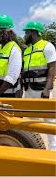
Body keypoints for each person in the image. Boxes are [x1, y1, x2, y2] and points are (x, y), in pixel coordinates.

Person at [22, 21, 56, 150]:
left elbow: (52, 68)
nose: (25, 34)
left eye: (27, 32)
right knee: (31, 121)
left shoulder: (47, 46)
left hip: (42, 89)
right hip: (29, 89)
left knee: (49, 120)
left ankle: (53, 149)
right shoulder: (27, 49)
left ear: (33, 32)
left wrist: (47, 88)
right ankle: (35, 146)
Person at [0, 14, 22, 97]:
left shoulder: (14, 49)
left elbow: (11, 77)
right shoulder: (0, 48)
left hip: (9, 95)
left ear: (1, 33)